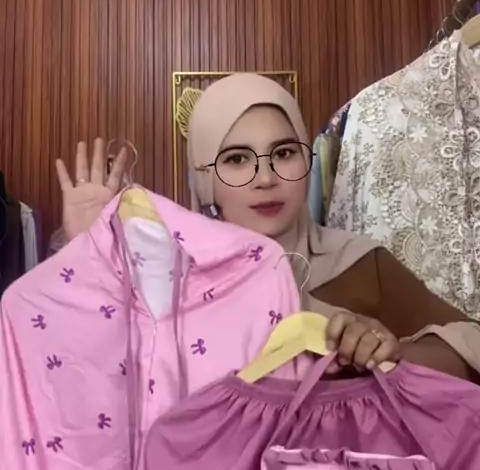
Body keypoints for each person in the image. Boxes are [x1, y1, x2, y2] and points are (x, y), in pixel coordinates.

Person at [56, 73, 480, 379]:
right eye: (237, 159)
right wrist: (89, 255)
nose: (266, 178)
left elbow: (471, 342)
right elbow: (92, 373)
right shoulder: (170, 275)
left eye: (284, 153)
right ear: (205, 180)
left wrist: (391, 353)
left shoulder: (359, 263)